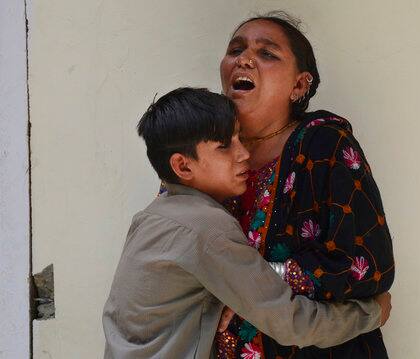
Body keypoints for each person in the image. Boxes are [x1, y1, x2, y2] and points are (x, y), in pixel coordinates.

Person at [102, 88, 391, 359]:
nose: (244, 154)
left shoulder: (149, 218)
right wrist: (372, 313)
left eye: (241, 139)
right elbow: (289, 322)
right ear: (183, 166)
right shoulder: (207, 226)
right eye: (225, 146)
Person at [214, 12, 395, 358]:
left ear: (299, 85)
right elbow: (174, 242)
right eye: (236, 50)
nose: (245, 59)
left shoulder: (323, 143)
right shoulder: (200, 148)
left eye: (267, 53)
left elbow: (368, 263)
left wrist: (251, 279)